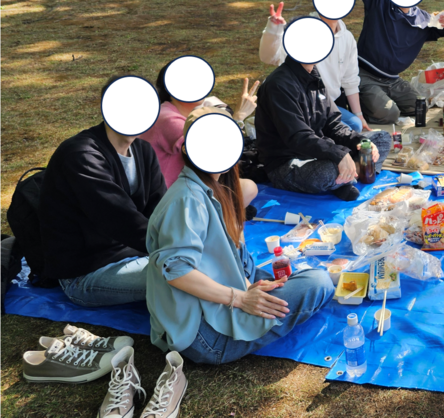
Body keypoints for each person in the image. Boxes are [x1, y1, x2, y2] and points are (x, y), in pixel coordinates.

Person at [146, 108, 335, 365]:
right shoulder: (187, 199)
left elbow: (230, 258)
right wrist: (241, 298)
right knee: (318, 283)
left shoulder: (214, 187)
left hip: (223, 297)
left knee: (304, 277)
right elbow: (177, 270)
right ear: (188, 149)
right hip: (205, 336)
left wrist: (246, 286)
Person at [38, 76, 167, 307]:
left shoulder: (144, 151)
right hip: (85, 273)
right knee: (185, 275)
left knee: (207, 263)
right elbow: (119, 219)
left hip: (134, 254)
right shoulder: (81, 155)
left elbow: (161, 210)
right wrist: (175, 249)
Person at [255, 31, 392, 201]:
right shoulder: (279, 85)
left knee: (381, 139)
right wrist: (339, 155)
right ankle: (352, 174)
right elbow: (298, 137)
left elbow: (334, 124)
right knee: (326, 172)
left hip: (320, 151)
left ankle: (346, 176)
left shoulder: (313, 75)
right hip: (289, 161)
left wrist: (360, 142)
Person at [140, 65, 259, 208]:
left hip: (186, 187)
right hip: (172, 198)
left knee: (244, 187)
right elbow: (215, 153)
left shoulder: (174, 113)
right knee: (248, 188)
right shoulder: (168, 119)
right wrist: (239, 117)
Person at [259, 1, 370, 132]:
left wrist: (359, 115)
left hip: (325, 103)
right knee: (341, 132)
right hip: (300, 105)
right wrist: (274, 30)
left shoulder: (347, 38)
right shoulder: (304, 30)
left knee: (355, 125)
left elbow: (350, 79)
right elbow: (269, 57)